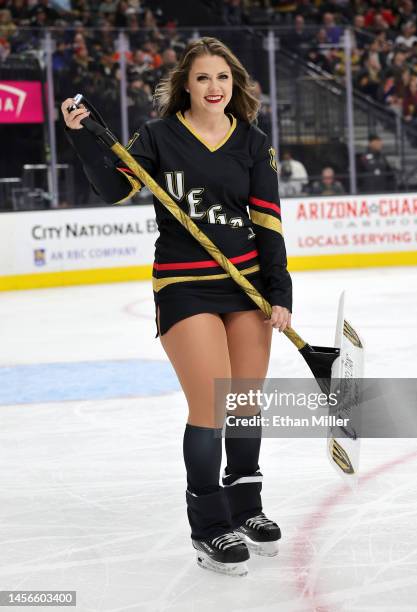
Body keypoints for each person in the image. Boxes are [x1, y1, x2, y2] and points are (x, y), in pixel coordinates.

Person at [61, 36, 292, 577]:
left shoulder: (253, 143)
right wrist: (82, 140)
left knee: (245, 403)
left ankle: (246, 507)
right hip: (186, 285)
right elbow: (112, 190)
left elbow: (268, 224)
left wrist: (280, 295)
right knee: (211, 407)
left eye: (223, 78)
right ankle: (209, 525)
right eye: (204, 78)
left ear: (234, 85)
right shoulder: (160, 136)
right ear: (185, 85)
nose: (215, 88)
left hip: (247, 287)